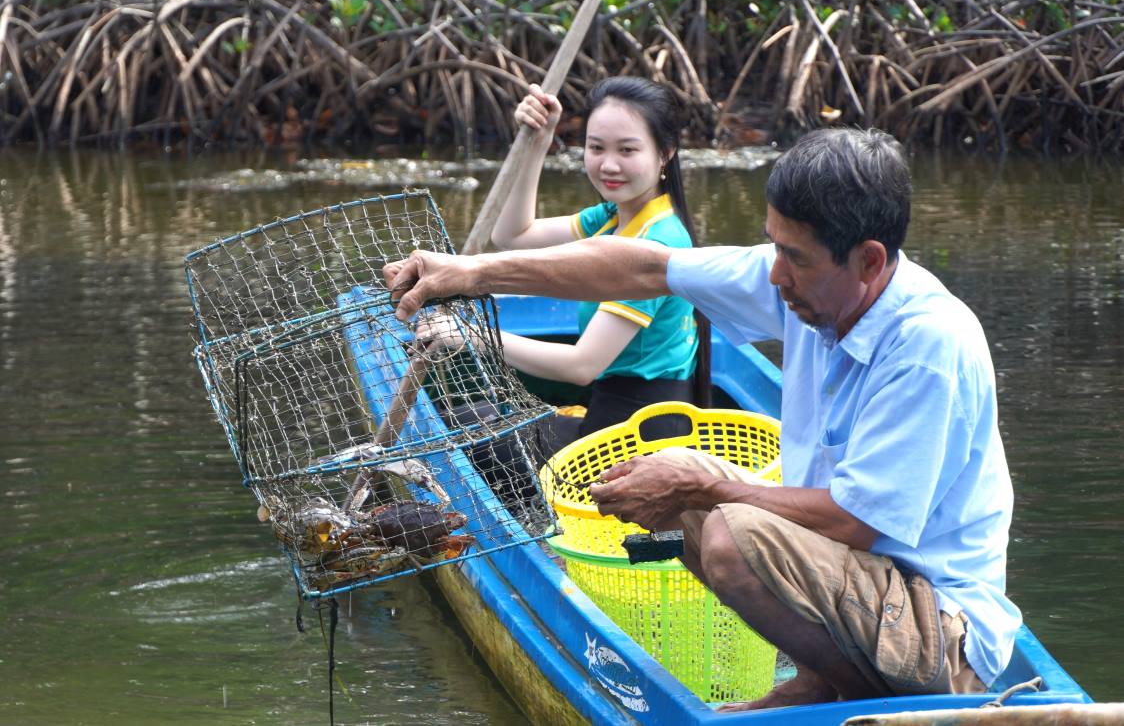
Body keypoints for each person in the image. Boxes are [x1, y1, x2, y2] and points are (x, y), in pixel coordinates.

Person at [386, 127, 1020, 710]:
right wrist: (470, 272)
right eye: (774, 246)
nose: (776, 274)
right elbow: (639, 265)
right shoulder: (810, 287)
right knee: (678, 471)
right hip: (862, 595)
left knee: (729, 531)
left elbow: (855, 519)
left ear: (870, 262)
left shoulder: (928, 345)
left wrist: (705, 490)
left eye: (795, 258)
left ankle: (843, 698)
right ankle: (819, 677)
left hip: (939, 633)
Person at [423, 76, 710, 453]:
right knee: (462, 421)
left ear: (665, 153)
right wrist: (537, 144)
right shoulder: (613, 217)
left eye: (627, 150)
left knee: (457, 440)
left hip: (640, 440)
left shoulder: (657, 243)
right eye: (596, 148)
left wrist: (469, 335)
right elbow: (512, 235)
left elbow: (581, 366)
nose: (609, 165)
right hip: (608, 413)